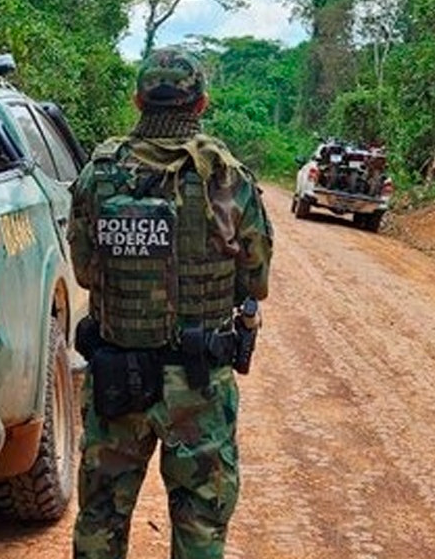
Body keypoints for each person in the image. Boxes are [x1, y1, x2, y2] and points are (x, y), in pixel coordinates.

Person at [68, 47, 273, 559]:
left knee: (100, 520)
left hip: (118, 379)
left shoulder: (99, 174)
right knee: (201, 525)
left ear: (138, 100)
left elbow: (86, 272)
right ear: (200, 104)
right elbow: (258, 280)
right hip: (199, 385)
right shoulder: (228, 179)